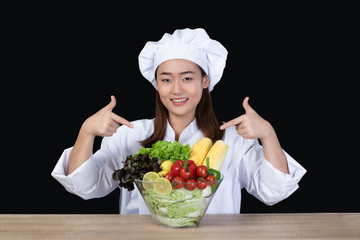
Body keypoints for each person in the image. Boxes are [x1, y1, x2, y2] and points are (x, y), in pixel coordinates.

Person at [51, 28, 306, 214]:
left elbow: (275, 191)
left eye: (187, 78)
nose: (176, 89)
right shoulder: (130, 133)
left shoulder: (233, 139)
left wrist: (268, 133)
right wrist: (86, 132)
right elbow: (84, 186)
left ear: (205, 81)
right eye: (166, 79)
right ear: (156, 84)